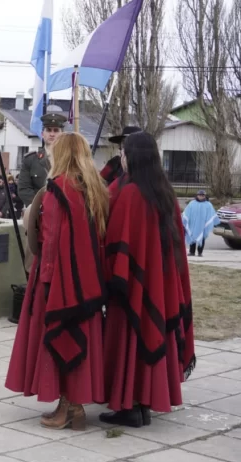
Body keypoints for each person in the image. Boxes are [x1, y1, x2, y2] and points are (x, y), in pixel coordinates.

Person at [6, 132, 109, 431]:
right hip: (89, 282)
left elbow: (49, 241)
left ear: (61, 154)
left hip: (60, 281)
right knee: (79, 338)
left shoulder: (59, 188)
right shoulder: (94, 188)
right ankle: (73, 405)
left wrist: (45, 282)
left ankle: (69, 406)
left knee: (58, 337)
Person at [101, 131, 196, 427]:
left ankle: (129, 406)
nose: (122, 159)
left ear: (134, 157)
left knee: (129, 339)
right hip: (160, 284)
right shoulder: (164, 192)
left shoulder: (129, 193)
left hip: (132, 284)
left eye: (125, 153)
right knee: (152, 335)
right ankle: (143, 405)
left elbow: (115, 241)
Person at [17, 109, 66, 206]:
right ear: (42, 134)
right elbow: (24, 189)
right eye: (48, 130)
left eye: (56, 130)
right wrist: (39, 206)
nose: (52, 134)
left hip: (64, 210)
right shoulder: (31, 160)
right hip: (39, 211)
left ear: (62, 134)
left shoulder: (69, 159)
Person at [183, 190, 219, 257]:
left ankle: (200, 252)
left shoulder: (208, 205)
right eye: (200, 195)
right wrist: (185, 221)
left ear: (205, 196)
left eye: (202, 195)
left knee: (201, 238)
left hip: (202, 224)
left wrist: (212, 222)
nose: (201, 197)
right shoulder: (192, 203)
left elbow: (211, 214)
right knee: (192, 237)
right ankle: (192, 251)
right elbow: (186, 213)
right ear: (197, 195)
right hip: (193, 224)